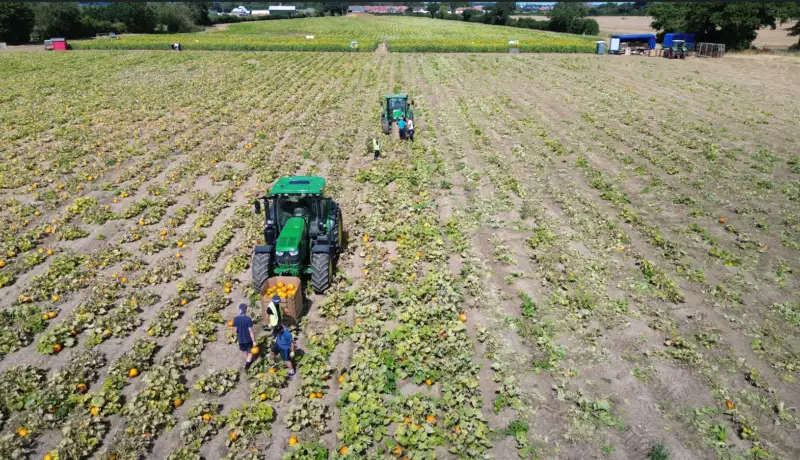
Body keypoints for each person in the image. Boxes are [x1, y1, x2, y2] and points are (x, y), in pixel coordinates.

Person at [233, 303, 257, 371]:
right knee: (250, 352)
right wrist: (254, 341)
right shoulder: (248, 319)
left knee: (244, 351)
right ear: (246, 310)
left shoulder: (235, 319)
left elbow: (235, 331)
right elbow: (251, 331)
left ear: (239, 309)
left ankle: (247, 362)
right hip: (248, 339)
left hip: (241, 339)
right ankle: (247, 365)